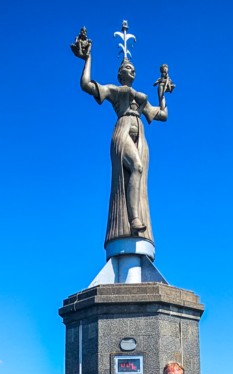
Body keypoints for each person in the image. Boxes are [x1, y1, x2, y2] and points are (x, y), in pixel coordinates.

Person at [73, 37, 168, 246]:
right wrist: (87, 59)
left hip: (140, 137)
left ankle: (138, 219)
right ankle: (133, 219)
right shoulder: (116, 91)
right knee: (136, 167)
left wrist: (162, 94)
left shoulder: (141, 99)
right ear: (120, 73)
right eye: (127, 67)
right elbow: (86, 85)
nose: (131, 69)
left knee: (140, 176)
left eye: (133, 67)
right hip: (123, 131)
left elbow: (162, 115)